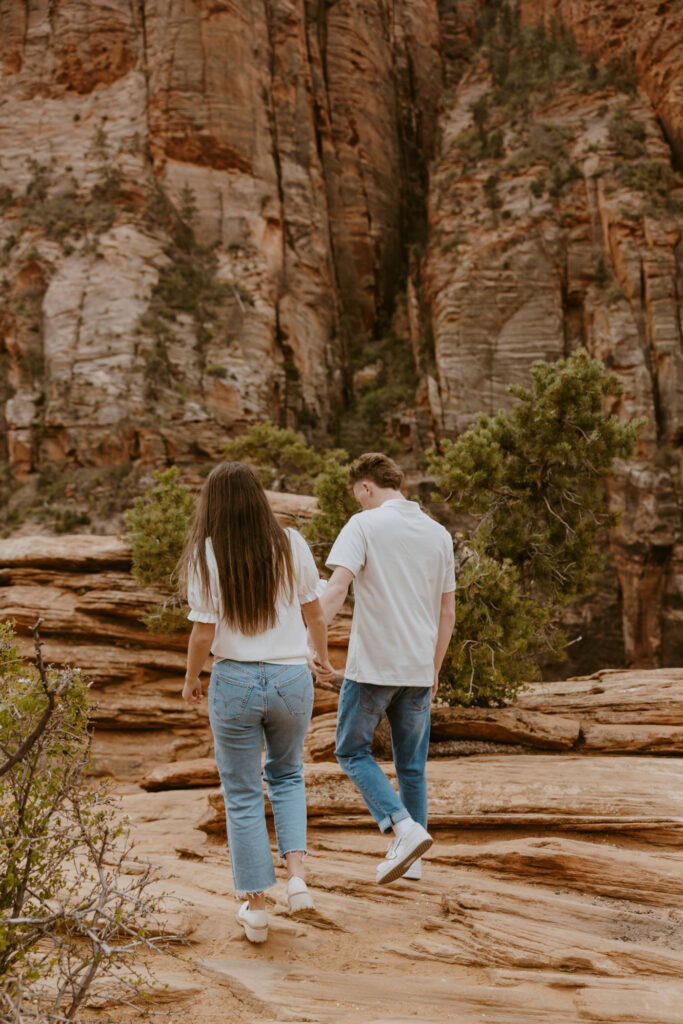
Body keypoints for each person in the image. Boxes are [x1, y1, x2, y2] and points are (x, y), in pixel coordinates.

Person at [180, 461, 335, 943]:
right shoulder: (292, 543)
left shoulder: (208, 554)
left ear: (214, 503)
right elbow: (314, 613)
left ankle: (256, 906)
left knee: (243, 793)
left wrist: (190, 678)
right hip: (292, 677)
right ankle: (297, 879)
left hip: (235, 682)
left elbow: (203, 630)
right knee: (287, 776)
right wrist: (320, 660)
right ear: (259, 497)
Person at [313, 453, 456, 884]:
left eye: (357, 496)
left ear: (366, 487)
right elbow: (447, 611)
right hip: (417, 668)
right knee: (411, 766)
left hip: (374, 666)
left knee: (351, 750)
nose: (358, 503)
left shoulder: (364, 524)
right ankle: (413, 861)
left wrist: (311, 642)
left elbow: (337, 587)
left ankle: (404, 828)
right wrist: (435, 667)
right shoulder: (439, 533)